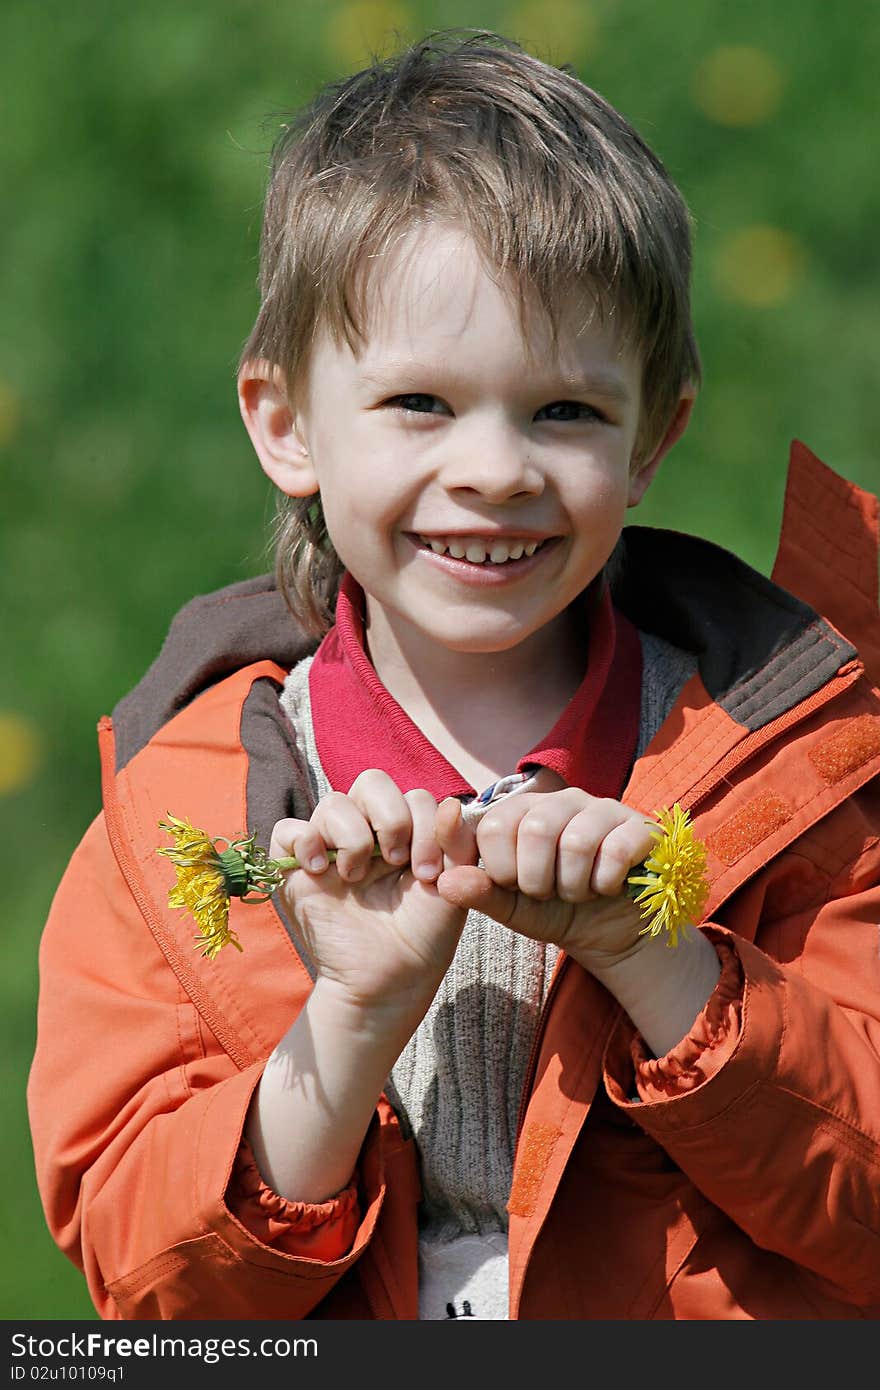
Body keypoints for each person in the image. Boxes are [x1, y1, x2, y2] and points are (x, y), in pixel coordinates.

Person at [27, 30, 880, 1321]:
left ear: (655, 438)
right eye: (421, 403)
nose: (495, 470)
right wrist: (353, 1019)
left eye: (565, 412)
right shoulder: (179, 818)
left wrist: (660, 961)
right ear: (284, 421)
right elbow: (155, 1297)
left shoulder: (801, 769)